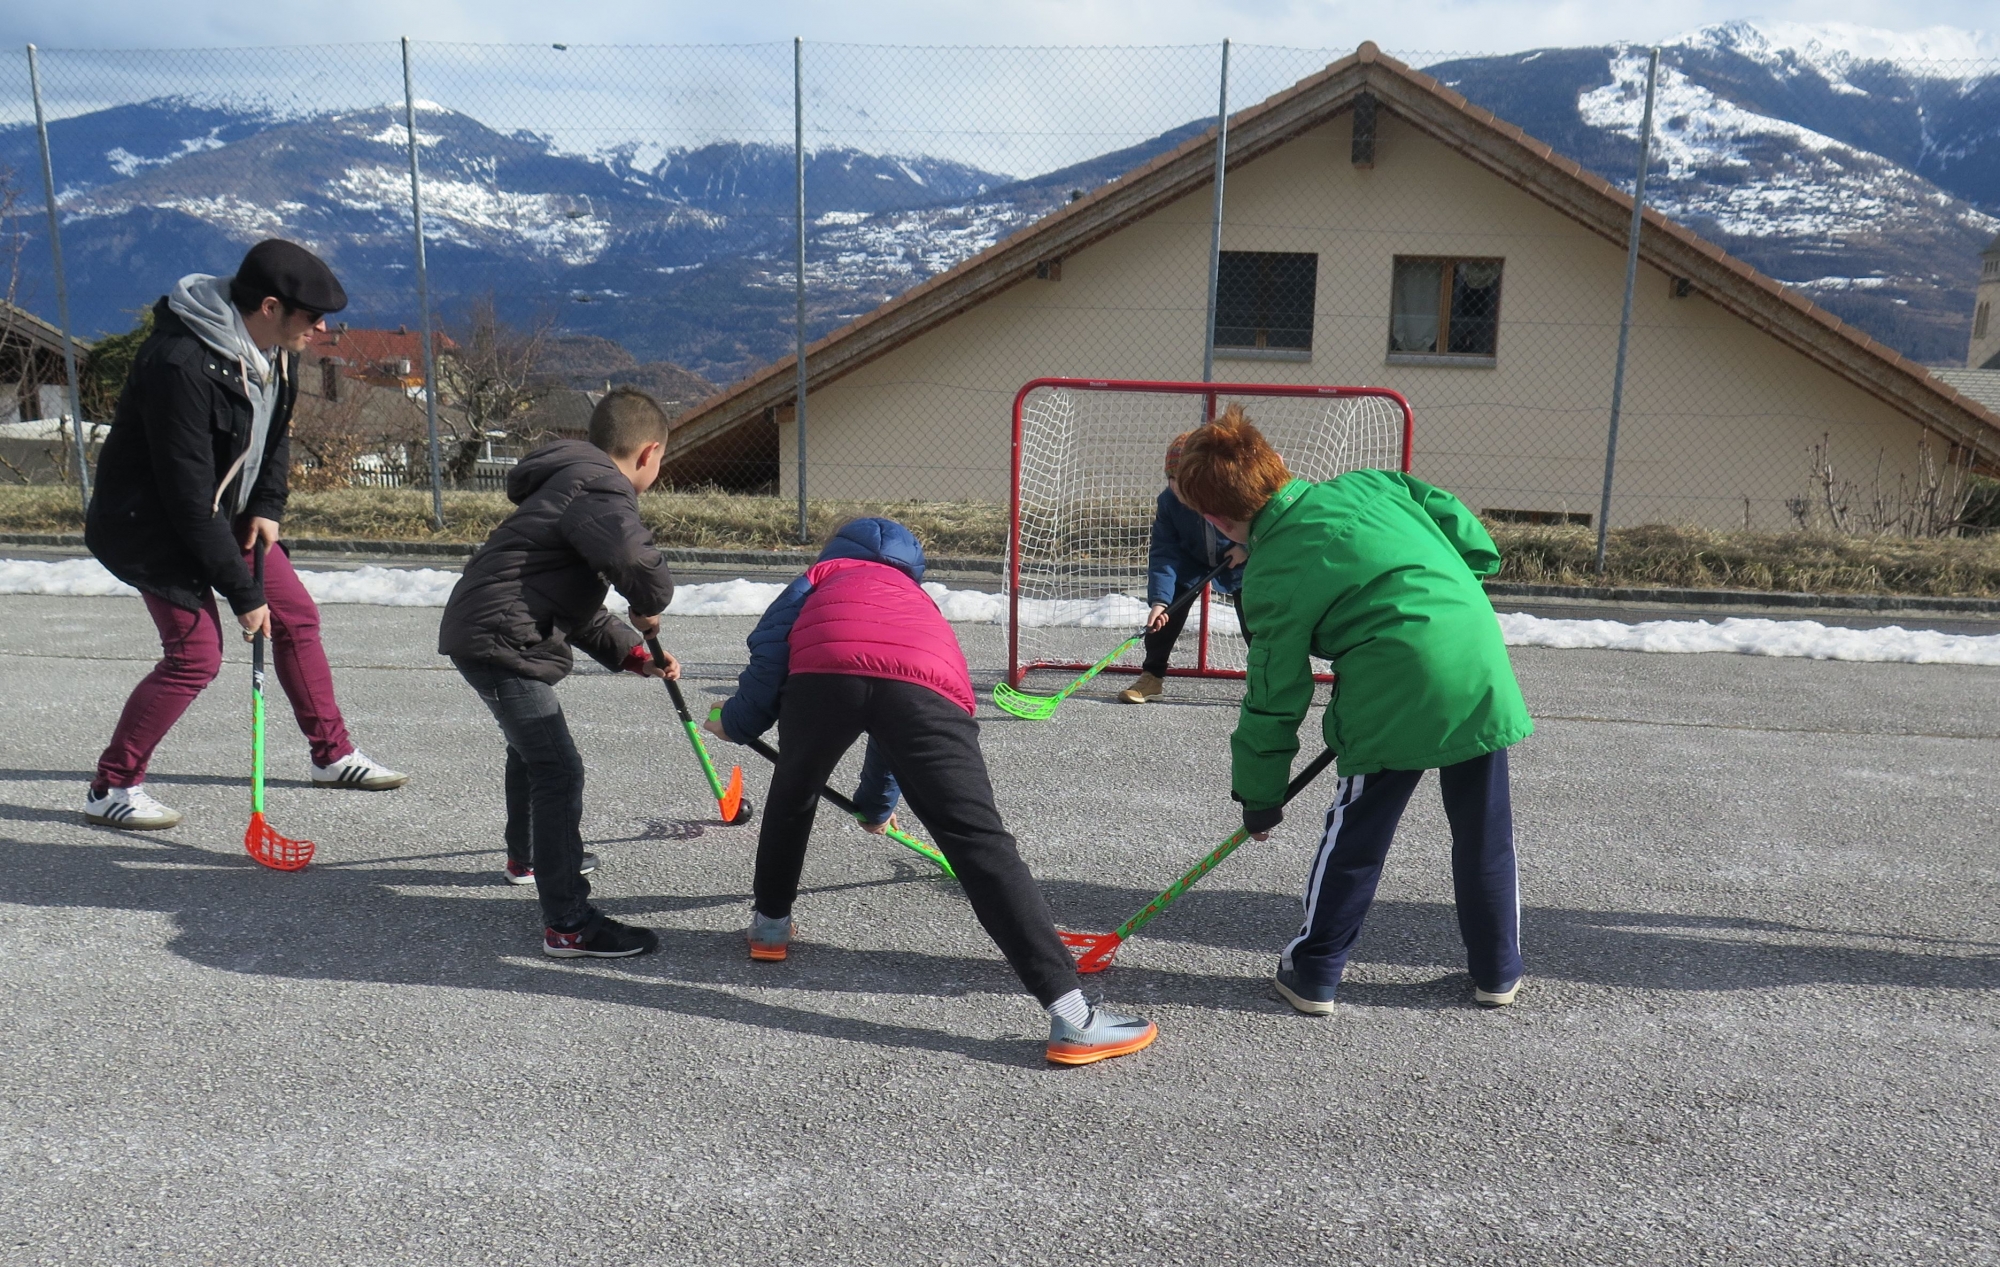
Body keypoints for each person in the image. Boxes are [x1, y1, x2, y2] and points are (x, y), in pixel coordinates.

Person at [704, 517, 1158, 1066]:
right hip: (927, 688)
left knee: (794, 791)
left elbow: (772, 648)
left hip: (824, 673)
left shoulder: (823, 574)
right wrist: (878, 804)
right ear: (911, 568)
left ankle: (770, 926)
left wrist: (737, 721)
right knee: (977, 839)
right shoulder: (919, 601)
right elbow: (898, 699)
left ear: (837, 548)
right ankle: (1073, 1017)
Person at [1171, 408, 1533, 1016]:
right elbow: (1469, 536)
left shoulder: (1271, 577)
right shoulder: (1375, 483)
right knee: (1484, 831)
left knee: (1358, 831)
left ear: (1214, 517)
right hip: (1477, 662)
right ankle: (1499, 972)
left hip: (1393, 692)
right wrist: (1441, 591)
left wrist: (1259, 795)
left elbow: (1274, 696)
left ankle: (1312, 974)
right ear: (1273, 465)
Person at [83, 239, 407, 831]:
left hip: (223, 513)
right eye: (310, 316)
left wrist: (265, 502)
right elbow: (184, 498)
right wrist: (243, 592)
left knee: (298, 619)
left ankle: (331, 756)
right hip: (151, 528)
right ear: (267, 306)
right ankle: (113, 786)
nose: (321, 327)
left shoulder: (274, 348)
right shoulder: (180, 364)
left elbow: (272, 431)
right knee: (195, 656)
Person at [438, 387, 680, 960]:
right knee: (558, 769)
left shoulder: (570, 483)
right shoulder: (600, 487)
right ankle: (568, 923)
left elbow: (574, 602)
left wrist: (633, 652)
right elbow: (632, 558)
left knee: (531, 755)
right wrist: (652, 601)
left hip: (492, 630)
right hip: (499, 637)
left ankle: (529, 858)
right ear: (648, 453)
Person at [1119, 430, 1247, 704]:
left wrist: (1248, 546)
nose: (1176, 487)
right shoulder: (1169, 502)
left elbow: (1270, 520)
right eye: (1171, 479)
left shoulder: (1235, 492)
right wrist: (1159, 601)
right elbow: (1164, 552)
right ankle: (1151, 677)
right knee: (1166, 614)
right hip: (1192, 561)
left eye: (1184, 480)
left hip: (1244, 562)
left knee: (1257, 624)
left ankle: (1268, 686)